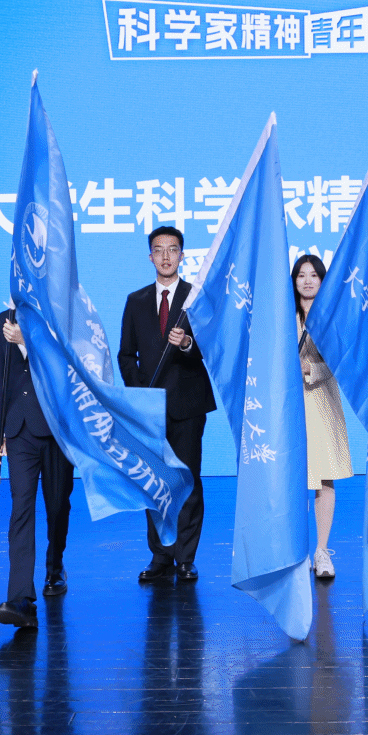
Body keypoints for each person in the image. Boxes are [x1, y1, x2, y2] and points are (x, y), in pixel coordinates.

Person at [117, 225, 215, 584]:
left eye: (172, 249)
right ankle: (161, 554)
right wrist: (141, 395)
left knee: (186, 480)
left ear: (182, 255)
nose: (166, 256)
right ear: (150, 257)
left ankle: (186, 558)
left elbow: (213, 347)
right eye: (158, 250)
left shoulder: (196, 298)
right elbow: (126, 355)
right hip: (149, 409)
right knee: (155, 483)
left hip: (188, 404)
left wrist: (187, 343)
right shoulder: (136, 300)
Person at [0, 303, 73, 629]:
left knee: (57, 505)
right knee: (21, 508)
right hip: (19, 428)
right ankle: (20, 598)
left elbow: (65, 364)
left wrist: (26, 341)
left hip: (56, 427)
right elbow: (0, 374)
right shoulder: (5, 318)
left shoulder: (60, 313)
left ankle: (55, 567)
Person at [293, 254, 354, 580]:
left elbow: (339, 358)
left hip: (322, 402)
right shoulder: (284, 316)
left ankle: (322, 551)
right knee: (293, 480)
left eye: (314, 275)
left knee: (323, 478)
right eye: (301, 275)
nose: (307, 281)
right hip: (290, 404)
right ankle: (296, 552)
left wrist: (309, 368)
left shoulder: (331, 317)